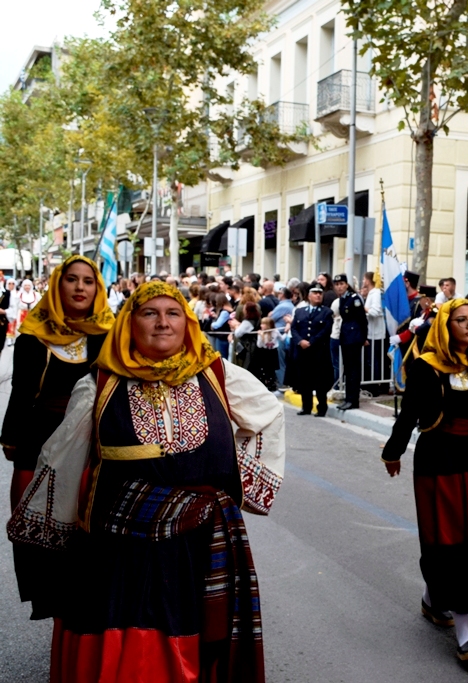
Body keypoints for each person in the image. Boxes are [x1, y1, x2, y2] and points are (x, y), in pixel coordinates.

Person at [7, 281, 285, 681]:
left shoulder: (218, 374)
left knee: (199, 632)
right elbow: (62, 460)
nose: (162, 323)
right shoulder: (98, 385)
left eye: (173, 314)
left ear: (188, 323)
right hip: (121, 546)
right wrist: (54, 534)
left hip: (198, 544)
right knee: (131, 639)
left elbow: (268, 414)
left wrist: (235, 477)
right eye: (149, 314)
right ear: (129, 324)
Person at [383, 298, 468, 661]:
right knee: (448, 537)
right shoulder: (427, 366)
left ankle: (432, 599)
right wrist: (393, 451)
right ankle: (464, 630)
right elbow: (409, 413)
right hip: (438, 457)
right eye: (462, 320)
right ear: (445, 325)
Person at [2, 256, 115, 619]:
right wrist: (11, 439)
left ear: (98, 289)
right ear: (57, 285)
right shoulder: (33, 337)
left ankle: (87, 601)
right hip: (39, 442)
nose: (80, 287)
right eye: (72, 279)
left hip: (93, 442)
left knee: (88, 525)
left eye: (88, 281)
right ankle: (48, 597)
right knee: (38, 519)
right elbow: (21, 393)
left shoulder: (111, 337)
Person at [291, 284, 333, 416]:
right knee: (304, 380)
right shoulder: (300, 311)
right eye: (315, 293)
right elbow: (294, 328)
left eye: (320, 293)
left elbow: (326, 330)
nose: (318, 295)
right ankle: (306, 406)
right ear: (309, 296)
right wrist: (300, 341)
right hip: (303, 351)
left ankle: (322, 407)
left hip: (318, 351)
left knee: (320, 381)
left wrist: (311, 342)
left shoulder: (326, 312)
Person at [334, 275, 368, 410]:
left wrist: (364, 338)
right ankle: (348, 398)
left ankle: (353, 400)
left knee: (353, 370)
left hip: (354, 338)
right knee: (348, 370)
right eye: (336, 284)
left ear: (347, 285)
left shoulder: (354, 298)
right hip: (346, 337)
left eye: (341, 284)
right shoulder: (343, 299)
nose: (339, 286)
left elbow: (362, 320)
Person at [362, 272, 389, 393]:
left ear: (368, 280)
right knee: (371, 360)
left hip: (376, 333)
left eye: (364, 279)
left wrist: (362, 308)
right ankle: (374, 385)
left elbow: (375, 311)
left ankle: (376, 386)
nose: (363, 281)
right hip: (371, 332)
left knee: (375, 361)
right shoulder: (372, 293)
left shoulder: (376, 293)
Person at [253, 316, 281, 392]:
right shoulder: (262, 333)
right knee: (264, 369)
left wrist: (287, 331)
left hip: (272, 352)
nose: (261, 325)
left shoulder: (275, 331)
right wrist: (260, 336)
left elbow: (281, 338)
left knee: (271, 369)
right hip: (264, 353)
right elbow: (259, 345)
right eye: (261, 324)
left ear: (268, 325)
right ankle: (265, 384)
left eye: (263, 324)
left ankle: (272, 384)